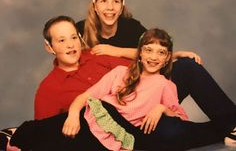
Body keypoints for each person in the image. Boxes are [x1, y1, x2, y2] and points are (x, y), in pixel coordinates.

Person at [1, 28, 235, 151]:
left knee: (174, 134)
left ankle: (226, 130)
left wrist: (161, 108)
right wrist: (73, 113)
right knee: (61, 130)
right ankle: (15, 133)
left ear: (166, 60)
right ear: (139, 53)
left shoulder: (166, 85)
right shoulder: (120, 73)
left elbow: (178, 116)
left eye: (161, 53)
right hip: (103, 114)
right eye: (148, 51)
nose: (153, 57)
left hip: (132, 132)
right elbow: (86, 97)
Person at [76, 0, 236, 144]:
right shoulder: (80, 30)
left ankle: (232, 125)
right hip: (120, 101)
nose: (110, 8)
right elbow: (68, 59)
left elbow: (153, 48)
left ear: (122, 4)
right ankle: (217, 132)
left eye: (115, 1)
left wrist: (174, 55)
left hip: (150, 90)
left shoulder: (131, 26)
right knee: (167, 133)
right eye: (103, 1)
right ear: (94, 3)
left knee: (188, 66)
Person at [34, 15, 131, 120]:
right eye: (62, 40)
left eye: (74, 37)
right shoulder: (48, 89)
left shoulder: (97, 55)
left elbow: (141, 71)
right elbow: (43, 132)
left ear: (80, 38)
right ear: (49, 47)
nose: (70, 45)